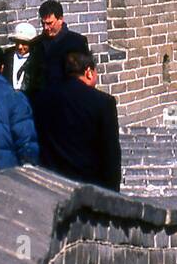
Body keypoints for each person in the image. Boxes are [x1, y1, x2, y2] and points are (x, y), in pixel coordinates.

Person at [38, 52, 121, 191]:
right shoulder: (103, 102)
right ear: (89, 72)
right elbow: (110, 153)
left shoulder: (43, 98)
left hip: (52, 183)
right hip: (91, 186)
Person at [26, 0, 90, 93]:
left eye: (49, 23)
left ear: (60, 19)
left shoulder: (77, 42)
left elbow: (85, 75)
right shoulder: (36, 44)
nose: (46, 28)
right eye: (43, 23)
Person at [2, 21, 39, 91]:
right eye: (17, 42)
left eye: (24, 43)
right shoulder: (7, 57)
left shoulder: (37, 60)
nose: (19, 47)